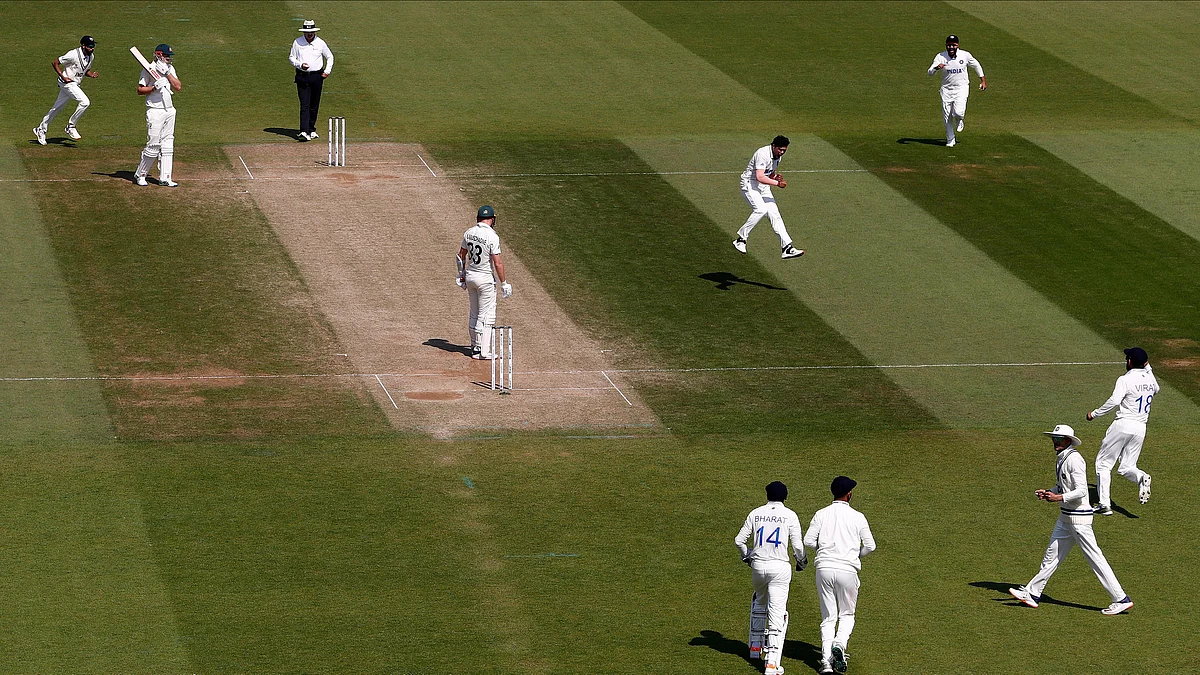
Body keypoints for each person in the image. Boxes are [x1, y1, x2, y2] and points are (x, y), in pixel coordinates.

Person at [1008, 425, 1134, 616]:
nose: (1055, 442)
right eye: (1054, 439)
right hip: (1066, 518)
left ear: (1068, 440)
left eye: (1059, 439)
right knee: (1051, 556)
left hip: (1079, 520)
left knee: (1095, 559)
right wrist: (1049, 492)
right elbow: (1063, 485)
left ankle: (1121, 599)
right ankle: (1032, 593)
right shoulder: (1062, 458)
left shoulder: (1075, 460)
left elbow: (1081, 490)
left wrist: (1058, 498)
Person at [803, 476, 875, 674]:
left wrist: (825, 551)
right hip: (848, 570)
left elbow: (808, 541)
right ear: (849, 494)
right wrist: (855, 556)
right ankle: (839, 644)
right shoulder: (858, 517)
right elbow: (870, 546)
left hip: (824, 569)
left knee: (828, 617)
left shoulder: (821, 514)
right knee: (847, 615)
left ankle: (826, 662)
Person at [735, 481, 807, 675]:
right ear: (785, 497)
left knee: (760, 602)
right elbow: (797, 546)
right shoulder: (790, 515)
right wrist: (802, 561)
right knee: (777, 612)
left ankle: (755, 647)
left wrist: (747, 556)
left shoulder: (755, 513)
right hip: (780, 568)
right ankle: (772, 663)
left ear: (767, 495)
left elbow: (739, 541)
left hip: (758, 566)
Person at [1087, 347, 1159, 514]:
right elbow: (1157, 389)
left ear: (1130, 361)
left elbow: (1114, 401)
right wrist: (1148, 367)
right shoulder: (1150, 380)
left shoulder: (1125, 379)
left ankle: (1104, 505)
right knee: (1126, 467)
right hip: (1140, 428)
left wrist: (1095, 414)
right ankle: (1141, 477)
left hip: (1123, 425)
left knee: (1103, 464)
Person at [732, 136, 805, 260]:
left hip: (763, 187)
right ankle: (741, 239)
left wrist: (775, 177)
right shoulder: (762, 154)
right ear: (773, 146)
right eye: (780, 149)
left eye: (784, 150)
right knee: (760, 210)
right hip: (750, 184)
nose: (782, 152)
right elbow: (759, 176)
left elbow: (769, 173)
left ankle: (787, 248)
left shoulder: (778, 156)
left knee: (775, 215)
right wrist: (777, 183)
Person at [457, 205, 511, 359]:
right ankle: (483, 351)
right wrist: (504, 283)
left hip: (471, 276)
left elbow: (460, 256)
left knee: (474, 312)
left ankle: (475, 347)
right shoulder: (492, 236)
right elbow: (498, 263)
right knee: (487, 315)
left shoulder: (469, 232)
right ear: (492, 219)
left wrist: (461, 275)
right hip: (485, 279)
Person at [34, 36, 98, 145]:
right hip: (67, 83)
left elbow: (84, 70)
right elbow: (55, 63)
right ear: (83, 46)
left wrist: (91, 74)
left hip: (75, 84)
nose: (92, 48)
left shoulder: (91, 57)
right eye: (90, 46)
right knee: (85, 102)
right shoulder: (72, 54)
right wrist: (63, 77)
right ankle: (71, 126)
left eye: (93, 46)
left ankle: (41, 129)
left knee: (57, 108)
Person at [133, 44, 182, 187]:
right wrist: (154, 87)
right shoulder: (148, 69)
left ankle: (165, 177)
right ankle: (141, 174)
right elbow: (140, 90)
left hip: (169, 109)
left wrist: (167, 73)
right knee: (153, 144)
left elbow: (178, 86)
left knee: (168, 144)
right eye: (166, 55)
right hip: (155, 110)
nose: (169, 58)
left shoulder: (170, 68)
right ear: (159, 55)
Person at [927, 35, 986, 147]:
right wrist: (936, 68)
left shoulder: (965, 55)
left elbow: (976, 65)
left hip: (961, 88)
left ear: (957, 45)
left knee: (958, 112)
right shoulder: (940, 56)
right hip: (946, 89)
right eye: (949, 45)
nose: (951, 47)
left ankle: (959, 119)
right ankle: (950, 139)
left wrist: (983, 81)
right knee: (947, 116)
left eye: (953, 45)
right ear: (946, 45)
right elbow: (929, 72)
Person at [289, 20, 334, 141]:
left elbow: (329, 56)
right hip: (302, 76)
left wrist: (327, 71)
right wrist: (300, 65)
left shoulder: (320, 43)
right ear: (304, 32)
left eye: (311, 32)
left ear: (314, 32)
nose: (309, 34)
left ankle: (311, 129)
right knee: (305, 104)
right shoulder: (297, 42)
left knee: (314, 105)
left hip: (316, 77)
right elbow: (291, 58)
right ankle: (304, 131)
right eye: (307, 32)